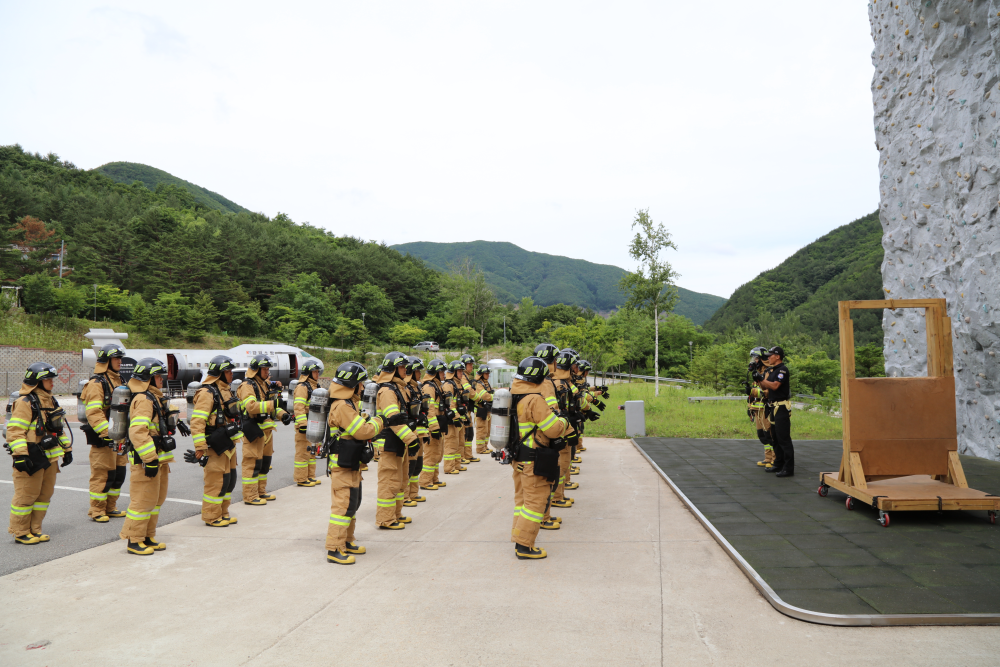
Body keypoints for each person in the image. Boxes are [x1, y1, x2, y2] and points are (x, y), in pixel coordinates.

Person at [509, 356, 570, 560]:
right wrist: (564, 422)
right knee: (535, 504)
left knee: (522, 502)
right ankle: (524, 546)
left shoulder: (513, 395)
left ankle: (518, 537)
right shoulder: (534, 399)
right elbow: (552, 429)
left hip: (518, 459)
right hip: (533, 461)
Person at [324, 361, 383, 564]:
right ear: (352, 384)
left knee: (352, 504)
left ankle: (347, 541)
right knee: (342, 508)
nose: (363, 387)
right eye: (361, 383)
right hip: (342, 466)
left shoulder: (349, 403)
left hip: (351, 463)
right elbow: (363, 431)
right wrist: (379, 421)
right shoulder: (341, 406)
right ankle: (334, 549)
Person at [6, 362, 71, 545]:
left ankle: (35, 529)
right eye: (47, 379)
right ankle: (20, 531)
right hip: (32, 458)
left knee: (44, 496)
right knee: (26, 496)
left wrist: (67, 450)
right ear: (37, 382)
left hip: (50, 459)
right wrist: (20, 455)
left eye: (51, 379)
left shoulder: (51, 401)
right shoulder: (25, 402)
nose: (52, 382)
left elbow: (58, 429)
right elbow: (15, 431)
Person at [118, 358, 175, 555]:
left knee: (155, 500)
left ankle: (148, 536)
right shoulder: (143, 399)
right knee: (142, 501)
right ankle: (134, 540)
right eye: (158, 376)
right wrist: (149, 458)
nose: (162, 380)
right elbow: (137, 432)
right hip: (145, 460)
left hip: (158, 458)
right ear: (149, 378)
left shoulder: (153, 397)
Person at [186, 356, 243, 527]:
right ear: (219, 374)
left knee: (229, 481)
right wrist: (200, 448)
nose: (231, 374)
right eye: (227, 372)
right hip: (214, 446)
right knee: (215, 483)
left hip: (228, 444)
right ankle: (211, 516)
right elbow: (197, 423)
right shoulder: (207, 393)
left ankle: (223, 512)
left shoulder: (225, 390)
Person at [80, 343, 128, 522]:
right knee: (103, 475)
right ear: (106, 361)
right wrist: (107, 433)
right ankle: (97, 510)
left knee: (118, 474)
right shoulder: (96, 383)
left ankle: (111, 506)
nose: (119, 361)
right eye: (116, 358)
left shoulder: (120, 380)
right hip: (105, 439)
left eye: (120, 358)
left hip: (119, 437)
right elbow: (93, 412)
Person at [237, 355, 292, 504]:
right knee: (252, 465)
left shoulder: (263, 385)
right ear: (256, 370)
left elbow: (269, 408)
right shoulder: (247, 386)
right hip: (253, 431)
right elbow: (251, 407)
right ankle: (250, 496)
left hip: (266, 432)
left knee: (264, 465)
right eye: (265, 369)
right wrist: (274, 404)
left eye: (268, 369)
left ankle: (261, 492)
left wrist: (283, 415)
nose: (268, 372)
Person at [372, 352, 417, 529]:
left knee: (400, 480)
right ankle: (385, 519)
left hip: (398, 441)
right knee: (389, 482)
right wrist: (411, 438)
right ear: (393, 370)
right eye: (401, 367)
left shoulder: (399, 388)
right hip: (389, 442)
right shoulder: (387, 391)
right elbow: (394, 419)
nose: (405, 370)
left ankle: (396, 514)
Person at [759, 346, 794, 477]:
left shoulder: (782, 370)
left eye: (771, 355)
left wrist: (763, 380)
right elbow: (765, 386)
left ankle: (788, 468)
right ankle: (778, 463)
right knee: (775, 438)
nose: (768, 357)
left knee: (784, 438)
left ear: (778, 356)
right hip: (773, 407)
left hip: (781, 407)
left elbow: (775, 386)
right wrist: (759, 379)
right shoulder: (773, 370)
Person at [418, 358, 448, 491]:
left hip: (439, 423)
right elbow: (429, 409)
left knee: (437, 453)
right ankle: (425, 481)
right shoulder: (429, 387)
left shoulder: (437, 386)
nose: (444, 374)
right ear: (435, 373)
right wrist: (434, 427)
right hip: (433, 426)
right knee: (431, 454)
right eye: (441, 372)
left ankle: (434, 478)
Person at [292, 360, 324, 487]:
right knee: (302, 452)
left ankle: (310, 476)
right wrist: (303, 424)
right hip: (304, 424)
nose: (317, 374)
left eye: (317, 371)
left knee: (312, 452)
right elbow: (298, 407)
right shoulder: (302, 387)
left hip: (314, 423)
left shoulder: (316, 387)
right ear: (308, 373)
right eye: (314, 372)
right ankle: (301, 478)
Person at [403, 356, 428, 506]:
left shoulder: (416, 387)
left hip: (418, 432)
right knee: (409, 467)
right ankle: (406, 496)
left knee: (417, 465)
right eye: (417, 371)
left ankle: (413, 493)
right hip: (410, 434)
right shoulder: (406, 387)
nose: (420, 374)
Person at [746, 347, 776, 470]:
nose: (754, 361)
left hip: (767, 408)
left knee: (770, 434)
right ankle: (767, 458)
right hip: (757, 409)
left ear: (762, 358)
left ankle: (775, 459)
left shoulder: (769, 372)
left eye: (756, 358)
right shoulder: (757, 372)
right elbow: (755, 391)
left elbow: (768, 391)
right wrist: (750, 406)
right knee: (762, 435)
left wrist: (754, 392)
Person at [441, 360, 468, 475]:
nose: (462, 373)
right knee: (450, 444)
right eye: (459, 371)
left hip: (458, 418)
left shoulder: (458, 383)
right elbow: (450, 405)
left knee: (459, 443)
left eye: (462, 371)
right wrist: (456, 417)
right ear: (453, 372)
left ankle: (456, 464)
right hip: (451, 420)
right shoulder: (448, 385)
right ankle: (448, 467)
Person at [458, 353, 478, 463]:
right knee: (464, 434)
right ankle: (462, 456)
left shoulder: (465, 376)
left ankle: (468, 454)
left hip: (468, 409)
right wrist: (478, 398)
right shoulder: (463, 378)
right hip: (464, 409)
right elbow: (469, 391)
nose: (472, 367)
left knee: (469, 433)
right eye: (470, 365)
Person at [471, 364, 494, 456]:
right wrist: (494, 397)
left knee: (487, 430)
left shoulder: (486, 383)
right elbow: (485, 396)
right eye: (486, 373)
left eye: (488, 373)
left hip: (487, 409)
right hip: (480, 409)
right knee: (482, 429)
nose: (488, 375)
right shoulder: (479, 384)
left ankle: (485, 446)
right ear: (481, 374)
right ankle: (480, 448)